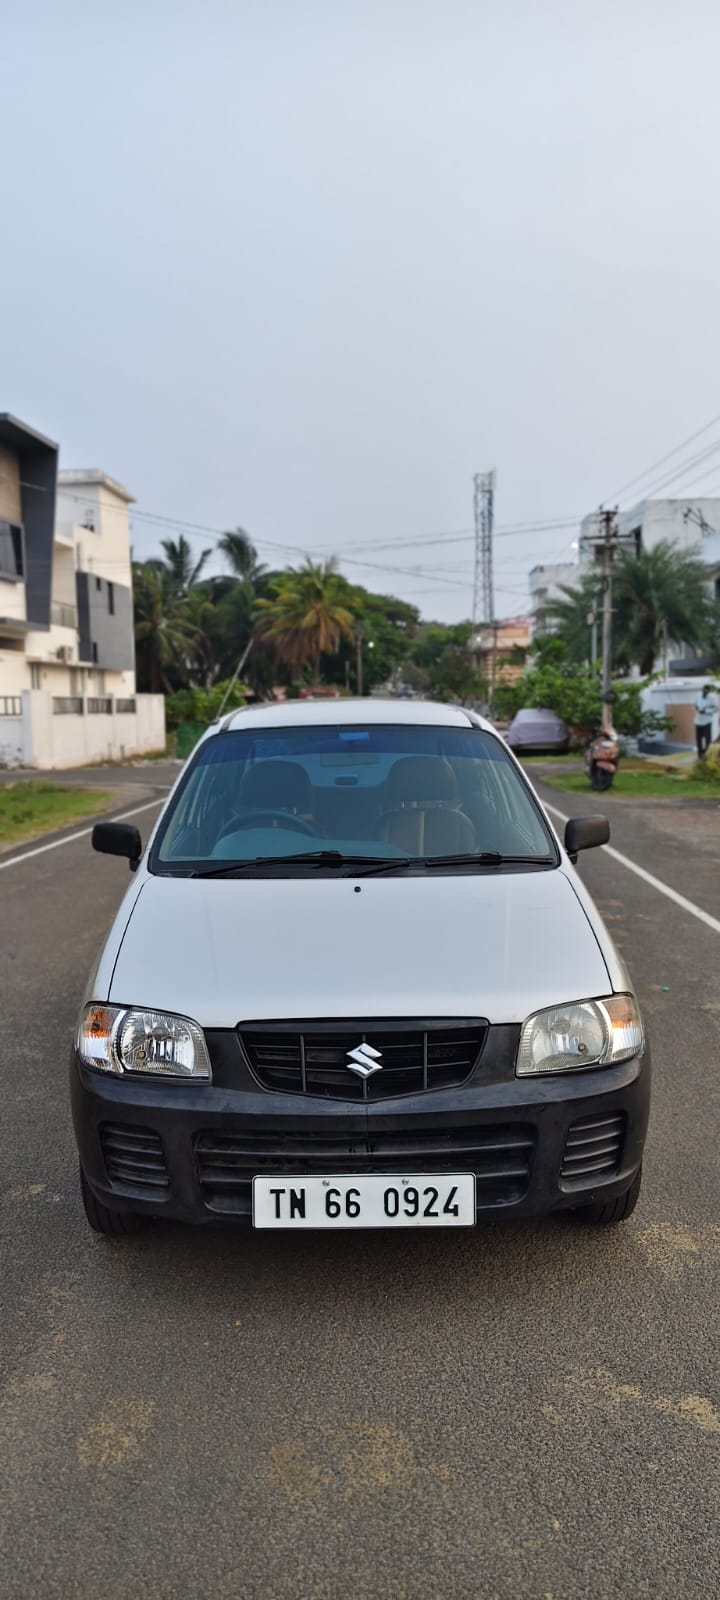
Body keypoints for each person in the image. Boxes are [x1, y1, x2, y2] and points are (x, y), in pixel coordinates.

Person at [694, 683, 718, 758]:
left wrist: (706, 711)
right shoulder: (697, 696)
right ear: (702, 690)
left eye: (706, 690)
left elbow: (716, 709)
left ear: (708, 691)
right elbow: (694, 705)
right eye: (704, 690)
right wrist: (697, 708)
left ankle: (706, 754)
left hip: (707, 721)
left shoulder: (712, 698)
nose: (705, 691)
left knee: (707, 739)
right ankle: (700, 754)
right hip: (698, 721)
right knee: (698, 739)